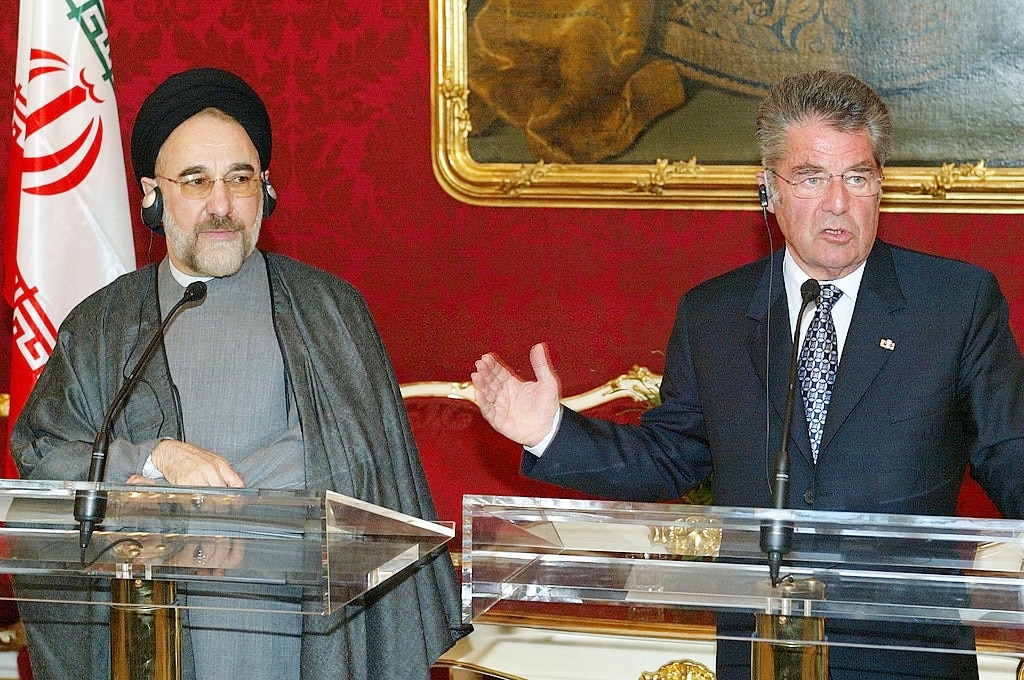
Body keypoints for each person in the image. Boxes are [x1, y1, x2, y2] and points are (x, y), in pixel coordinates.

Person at [471, 70, 1024, 680]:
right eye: (810, 178)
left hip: (904, 653)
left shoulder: (955, 303)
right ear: (768, 190)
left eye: (857, 177)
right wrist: (549, 431)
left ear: (879, 185)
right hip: (757, 651)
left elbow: (1010, 452)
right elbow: (671, 457)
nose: (838, 203)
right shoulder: (714, 314)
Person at [11, 67, 469, 680]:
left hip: (306, 636)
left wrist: (246, 495)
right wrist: (153, 457)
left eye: (240, 178)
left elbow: (371, 478)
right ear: (152, 194)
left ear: (266, 188)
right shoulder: (103, 325)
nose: (222, 205)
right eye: (195, 181)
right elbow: (44, 457)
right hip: (156, 634)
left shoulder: (331, 310)